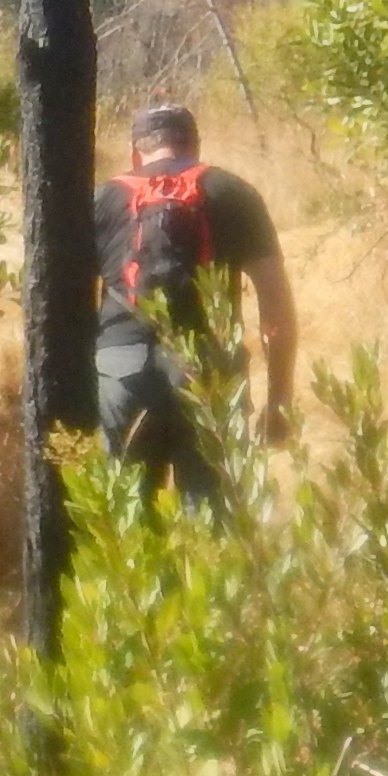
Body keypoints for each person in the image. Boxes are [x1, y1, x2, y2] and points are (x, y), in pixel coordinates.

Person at [95, 102, 297, 501]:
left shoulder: (103, 198)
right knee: (214, 520)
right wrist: (278, 400)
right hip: (208, 370)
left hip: (122, 370)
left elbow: (69, 309)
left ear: (135, 152)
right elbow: (276, 308)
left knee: (125, 525)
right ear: (195, 147)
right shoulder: (235, 194)